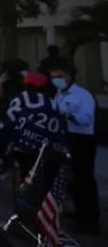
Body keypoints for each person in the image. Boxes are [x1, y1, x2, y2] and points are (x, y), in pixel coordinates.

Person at [50, 63, 100, 236]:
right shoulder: (59, 94)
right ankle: (80, 212)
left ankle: (90, 221)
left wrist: (65, 115)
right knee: (70, 179)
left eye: (58, 76)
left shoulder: (83, 95)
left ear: (68, 76)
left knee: (83, 180)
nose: (55, 80)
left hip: (82, 141)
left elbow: (86, 119)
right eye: (53, 77)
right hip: (66, 138)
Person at [0, 71, 68, 180]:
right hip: (44, 148)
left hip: (24, 146)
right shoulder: (50, 102)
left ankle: (26, 192)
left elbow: (8, 122)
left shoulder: (21, 98)